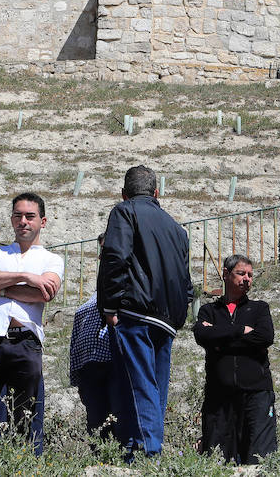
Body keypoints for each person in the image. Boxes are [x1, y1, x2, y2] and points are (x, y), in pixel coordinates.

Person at [98, 164, 193, 457]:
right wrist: (178, 314)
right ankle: (137, 446)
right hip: (167, 319)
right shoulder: (177, 228)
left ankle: (148, 452)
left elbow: (115, 256)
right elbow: (186, 281)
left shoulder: (124, 212)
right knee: (155, 389)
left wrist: (110, 305)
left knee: (138, 384)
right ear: (156, 192)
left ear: (124, 193)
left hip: (136, 312)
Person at [0, 192, 64, 440]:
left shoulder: (52, 259)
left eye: (30, 216)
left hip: (26, 342)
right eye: (18, 216)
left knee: (24, 420)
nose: (23, 221)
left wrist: (1, 287)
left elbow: (44, 293)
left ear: (43, 221)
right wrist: (26, 277)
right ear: (11, 219)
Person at [193, 254, 276, 463]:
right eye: (241, 273)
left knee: (260, 459)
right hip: (219, 394)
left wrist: (220, 338)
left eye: (250, 274)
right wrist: (241, 330)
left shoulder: (259, 308)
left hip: (256, 393)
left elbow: (265, 337)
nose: (247, 278)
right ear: (226, 274)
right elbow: (202, 335)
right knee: (217, 460)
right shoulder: (209, 310)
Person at [68, 290, 120, 438]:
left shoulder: (88, 305)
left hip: (107, 363)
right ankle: (103, 456)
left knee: (106, 420)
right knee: (101, 421)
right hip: (93, 366)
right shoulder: (93, 301)